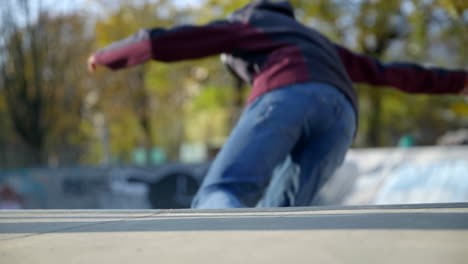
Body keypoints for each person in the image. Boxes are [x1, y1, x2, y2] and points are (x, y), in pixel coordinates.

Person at [88, 0, 468, 208]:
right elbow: (385, 71)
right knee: (282, 216)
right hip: (342, 116)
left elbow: (182, 39)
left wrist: (113, 54)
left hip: (287, 95)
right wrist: (460, 82)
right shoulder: (318, 41)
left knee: (223, 190)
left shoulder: (248, 23)